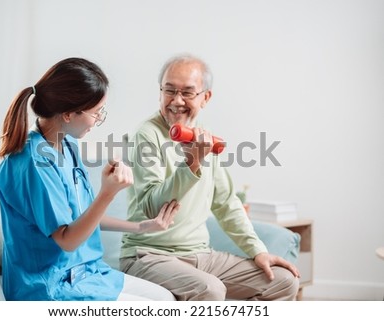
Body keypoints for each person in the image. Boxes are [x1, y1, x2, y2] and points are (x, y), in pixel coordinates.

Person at [0, 57, 179, 301]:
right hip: (49, 286)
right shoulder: (32, 162)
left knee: (165, 298)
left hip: (88, 273)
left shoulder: (67, 144)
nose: (98, 120)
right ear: (69, 114)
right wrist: (107, 193)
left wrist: (142, 227)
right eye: (96, 113)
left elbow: (82, 217)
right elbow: (67, 240)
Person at [120, 54, 300, 301]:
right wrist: (192, 163)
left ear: (206, 97)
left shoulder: (204, 138)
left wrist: (257, 250)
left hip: (201, 255)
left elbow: (226, 203)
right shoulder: (147, 135)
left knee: (283, 282)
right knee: (210, 289)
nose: (176, 101)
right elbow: (153, 207)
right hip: (149, 255)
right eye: (169, 90)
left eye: (187, 93)